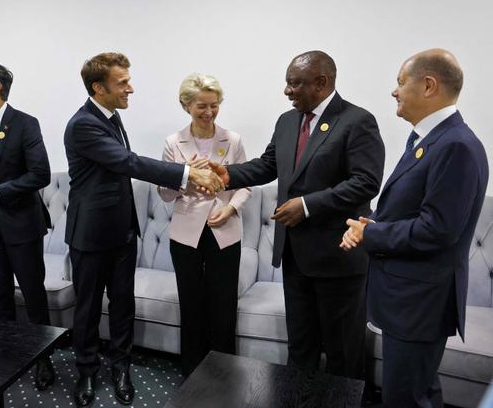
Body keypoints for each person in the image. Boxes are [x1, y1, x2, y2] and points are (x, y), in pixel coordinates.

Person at [209, 51, 385, 379]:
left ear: (321, 83)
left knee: (341, 355)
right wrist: (228, 175)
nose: (287, 91)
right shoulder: (287, 121)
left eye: (294, 84)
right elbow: (268, 164)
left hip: (338, 258)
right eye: (287, 83)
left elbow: (366, 182)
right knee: (300, 347)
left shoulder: (357, 121)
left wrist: (306, 205)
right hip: (294, 254)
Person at [64, 52, 223, 407]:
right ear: (98, 87)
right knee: (88, 307)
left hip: (122, 231)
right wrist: (186, 173)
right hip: (89, 235)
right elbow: (128, 162)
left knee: (123, 304)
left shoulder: (113, 117)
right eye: (122, 83)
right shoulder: (83, 124)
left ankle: (121, 367)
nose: (130, 88)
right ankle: (87, 371)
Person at [341, 49, 488, 408]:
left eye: (400, 82)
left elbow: (438, 229)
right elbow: (410, 207)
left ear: (428, 86)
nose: (394, 91)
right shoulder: (426, 140)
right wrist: (371, 222)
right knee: (419, 392)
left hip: (420, 303)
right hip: (406, 299)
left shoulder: (457, 146)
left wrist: (369, 234)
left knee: (405, 398)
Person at [0, 61, 55, 390]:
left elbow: (40, 175)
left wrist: (1, 190)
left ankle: (43, 359)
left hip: (23, 225)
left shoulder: (25, 124)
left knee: (33, 295)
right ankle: (6, 357)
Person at [158, 74, 250, 377]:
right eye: (202, 106)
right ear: (187, 106)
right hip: (186, 235)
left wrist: (231, 209)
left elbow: (246, 184)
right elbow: (165, 194)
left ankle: (225, 372)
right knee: (192, 304)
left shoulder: (232, 140)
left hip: (224, 231)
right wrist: (184, 175)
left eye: (214, 105)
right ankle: (193, 372)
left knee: (223, 305)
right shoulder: (174, 143)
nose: (209, 112)